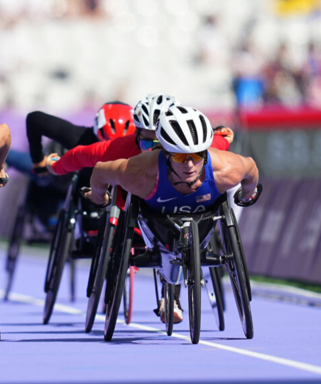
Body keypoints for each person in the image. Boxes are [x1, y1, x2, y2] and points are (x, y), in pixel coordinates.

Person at [84, 105, 259, 323]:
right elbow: (100, 170)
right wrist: (98, 196)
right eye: (179, 157)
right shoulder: (139, 171)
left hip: (203, 216)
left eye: (196, 156)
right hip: (155, 219)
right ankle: (170, 294)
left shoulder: (226, 169)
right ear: (165, 154)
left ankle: (173, 296)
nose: (189, 165)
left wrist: (247, 194)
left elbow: (251, 168)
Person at [44, 94, 234, 176]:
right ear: (136, 134)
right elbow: (81, 155)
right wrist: (57, 167)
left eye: (163, 145)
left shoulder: (196, 147)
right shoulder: (120, 147)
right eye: (147, 144)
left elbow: (224, 139)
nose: (153, 151)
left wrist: (223, 135)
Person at [27, 102, 135, 175]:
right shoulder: (81, 138)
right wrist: (38, 159)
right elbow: (34, 120)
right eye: (107, 144)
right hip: (57, 177)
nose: (113, 155)